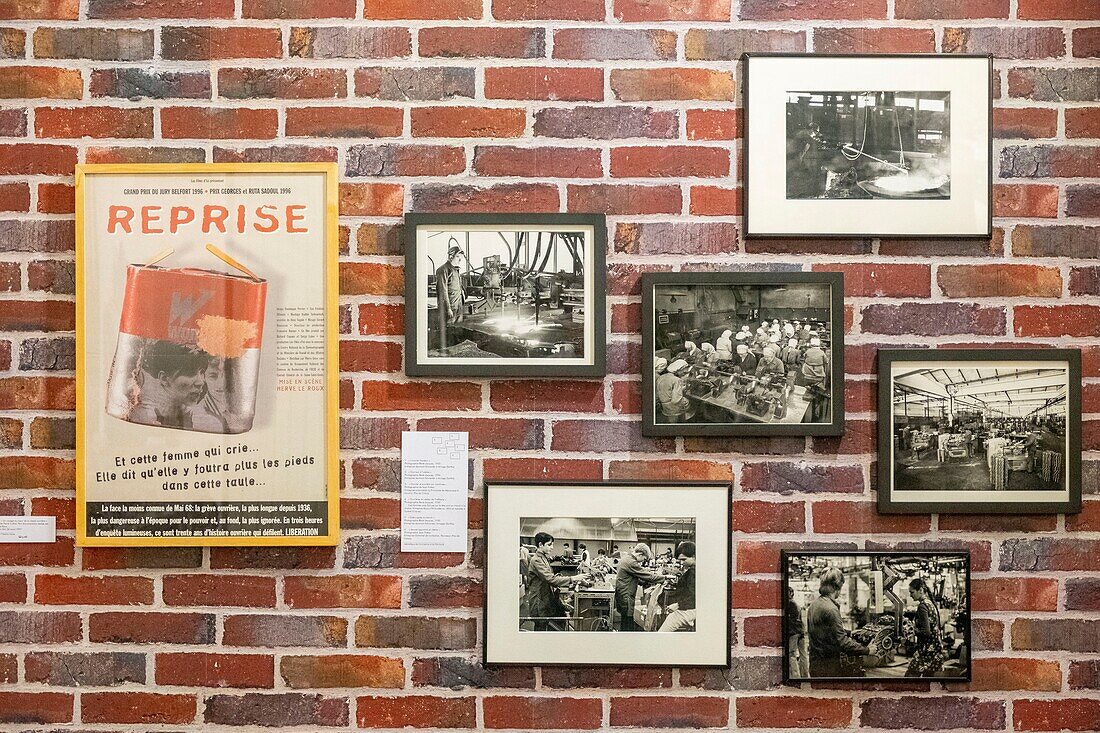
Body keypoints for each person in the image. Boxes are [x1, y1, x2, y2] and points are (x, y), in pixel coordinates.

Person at [128, 341, 210, 430]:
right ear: (164, 379)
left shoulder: (188, 414)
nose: (201, 382)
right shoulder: (145, 415)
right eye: (190, 373)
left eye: (202, 372)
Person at [807, 566, 870, 677]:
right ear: (837, 586)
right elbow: (842, 643)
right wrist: (868, 650)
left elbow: (825, 630)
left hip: (815, 665)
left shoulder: (814, 604)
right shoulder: (831, 609)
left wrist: (850, 633)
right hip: (829, 668)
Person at [525, 532, 587, 631]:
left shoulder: (543, 557)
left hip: (544, 598)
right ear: (540, 545)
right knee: (540, 629)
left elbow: (550, 575)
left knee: (545, 627)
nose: (552, 547)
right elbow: (550, 579)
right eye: (549, 544)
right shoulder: (536, 560)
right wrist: (573, 578)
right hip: (539, 601)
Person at [615, 543, 666, 631]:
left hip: (622, 595)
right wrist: (665, 578)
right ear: (640, 554)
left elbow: (633, 577)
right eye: (644, 559)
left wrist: (644, 582)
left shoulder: (626, 559)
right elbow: (648, 576)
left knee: (625, 622)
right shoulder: (631, 562)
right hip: (626, 596)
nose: (642, 562)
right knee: (628, 624)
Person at [905, 578, 945, 677]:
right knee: (928, 678)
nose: (910, 595)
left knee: (909, 677)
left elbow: (926, 632)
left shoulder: (922, 606)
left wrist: (912, 630)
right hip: (935, 647)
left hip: (926, 650)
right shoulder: (930, 603)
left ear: (921, 590)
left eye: (912, 592)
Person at [658, 541, 696, 632]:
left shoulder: (693, 573)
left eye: (684, 559)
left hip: (689, 609)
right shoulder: (693, 570)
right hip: (689, 607)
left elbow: (695, 596)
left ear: (694, 556)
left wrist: (677, 605)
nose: (682, 563)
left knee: (662, 633)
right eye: (680, 560)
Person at [435, 246, 465, 351]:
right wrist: (448, 308)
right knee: (448, 332)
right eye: (457, 256)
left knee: (458, 331)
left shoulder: (456, 270)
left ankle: (457, 353)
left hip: (458, 306)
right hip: (450, 307)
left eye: (461, 257)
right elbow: (443, 292)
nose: (460, 259)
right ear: (451, 256)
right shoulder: (443, 270)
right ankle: (447, 355)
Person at [787, 586, 809, 679]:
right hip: (801, 631)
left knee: (792, 653)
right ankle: (805, 675)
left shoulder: (789, 604)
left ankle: (796, 676)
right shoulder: (796, 604)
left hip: (793, 631)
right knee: (803, 654)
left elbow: (791, 620)